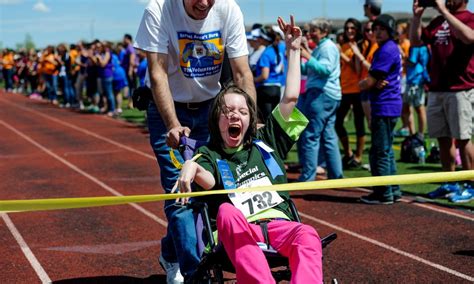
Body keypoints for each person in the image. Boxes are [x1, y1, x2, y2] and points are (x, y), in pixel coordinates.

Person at [178, 16, 323, 283]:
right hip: (240, 233)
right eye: (228, 111)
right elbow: (206, 179)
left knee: (308, 234)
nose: (235, 116)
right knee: (226, 211)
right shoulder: (210, 154)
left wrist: (292, 49)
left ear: (249, 119)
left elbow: (290, 97)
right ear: (217, 119)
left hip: (281, 228)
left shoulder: (267, 139)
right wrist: (190, 166)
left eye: (242, 112)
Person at [133, 0, 256, 282]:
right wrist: (173, 124)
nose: (204, 3)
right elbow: (158, 72)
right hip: (169, 109)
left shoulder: (228, 9)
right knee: (180, 192)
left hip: (212, 108)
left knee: (213, 189)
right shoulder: (158, 10)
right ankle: (194, 273)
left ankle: (171, 252)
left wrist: (250, 119)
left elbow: (241, 72)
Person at [410, 0, 474, 202]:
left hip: (461, 89)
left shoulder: (470, 19)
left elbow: (469, 37)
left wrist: (445, 11)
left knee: (463, 139)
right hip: (437, 89)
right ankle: (449, 182)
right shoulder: (438, 21)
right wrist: (417, 16)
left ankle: (470, 184)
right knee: (443, 138)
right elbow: (415, 41)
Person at [359, 14, 403, 205]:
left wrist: (363, 84)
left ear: (390, 31)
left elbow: (369, 81)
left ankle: (383, 193)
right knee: (386, 151)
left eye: (381, 29)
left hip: (385, 105)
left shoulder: (386, 49)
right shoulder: (389, 48)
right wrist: (372, 82)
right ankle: (393, 189)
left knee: (379, 152)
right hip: (389, 104)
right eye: (375, 28)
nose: (377, 32)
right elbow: (374, 80)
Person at [298, 18, 343, 181]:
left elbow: (325, 70)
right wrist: (298, 55)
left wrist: (307, 56)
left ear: (324, 31)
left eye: (314, 30)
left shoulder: (327, 48)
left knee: (311, 136)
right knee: (329, 136)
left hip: (321, 94)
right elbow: (309, 69)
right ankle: (336, 175)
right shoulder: (322, 47)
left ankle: (308, 177)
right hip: (328, 94)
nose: (310, 34)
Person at [336, 18, 366, 169]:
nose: (349, 31)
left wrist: (344, 56)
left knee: (359, 124)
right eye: (347, 28)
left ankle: (359, 156)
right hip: (345, 89)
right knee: (338, 122)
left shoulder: (360, 45)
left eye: (352, 28)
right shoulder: (345, 45)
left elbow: (358, 69)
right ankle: (348, 153)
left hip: (358, 89)